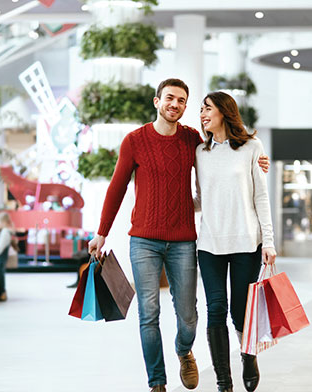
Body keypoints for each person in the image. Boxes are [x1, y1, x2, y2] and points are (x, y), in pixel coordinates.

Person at [88, 79, 270, 392]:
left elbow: (223, 167)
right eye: (170, 98)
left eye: (183, 100)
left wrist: (258, 162)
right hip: (145, 240)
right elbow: (116, 188)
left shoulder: (192, 142)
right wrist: (102, 233)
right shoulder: (135, 140)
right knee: (149, 313)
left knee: (188, 317)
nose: (176, 104)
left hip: (185, 240)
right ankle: (158, 382)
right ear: (156, 101)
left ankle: (184, 350)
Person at [194, 91, 276, 392]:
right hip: (210, 243)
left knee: (239, 312)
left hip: (246, 242)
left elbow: (260, 196)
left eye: (208, 109)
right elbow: (201, 199)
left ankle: (248, 356)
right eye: (201, 110)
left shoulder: (252, 147)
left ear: (224, 112)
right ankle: (223, 382)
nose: (202, 114)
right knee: (215, 309)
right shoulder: (200, 152)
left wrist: (269, 241)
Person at [0, 212, 15, 302]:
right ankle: (1, 292)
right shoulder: (4, 231)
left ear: (2, 221)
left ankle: (2, 293)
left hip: (1, 257)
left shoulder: (5, 232)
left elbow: (0, 248)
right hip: (0, 257)